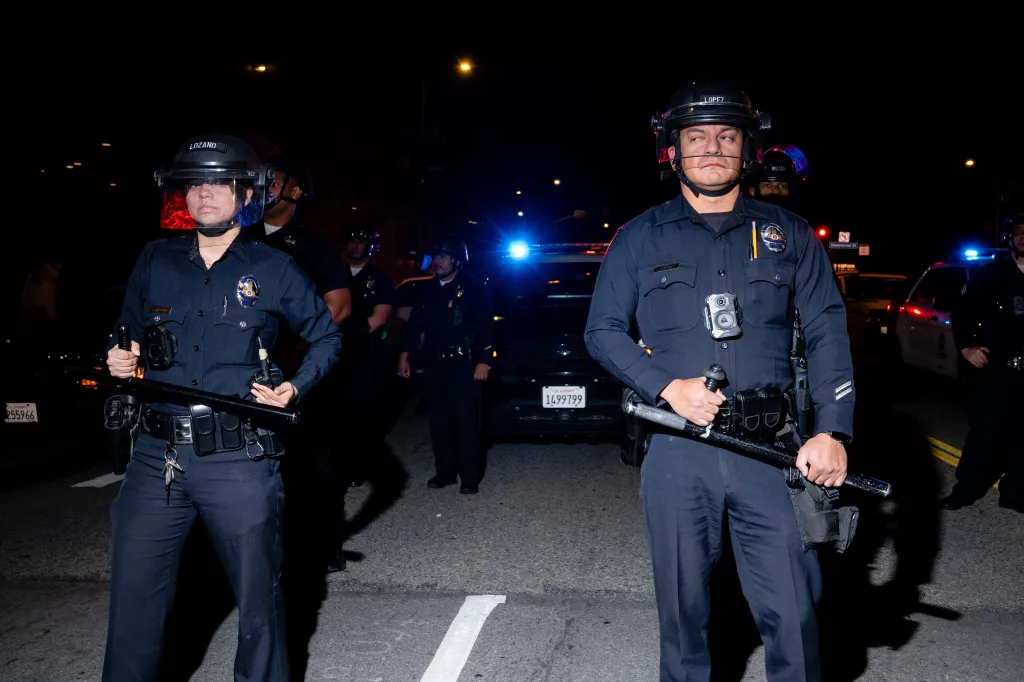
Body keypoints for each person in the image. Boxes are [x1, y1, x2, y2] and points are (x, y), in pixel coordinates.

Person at [585, 82, 854, 682]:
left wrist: (834, 431)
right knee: (684, 618)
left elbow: (828, 333)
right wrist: (665, 386)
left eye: (727, 137)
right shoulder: (638, 237)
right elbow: (602, 332)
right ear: (671, 151)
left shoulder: (790, 235)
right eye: (696, 137)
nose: (712, 148)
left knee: (795, 615)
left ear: (747, 149)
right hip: (679, 451)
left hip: (773, 449)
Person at [102, 133, 342, 682]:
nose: (205, 194)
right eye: (195, 184)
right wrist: (120, 354)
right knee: (133, 603)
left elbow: (327, 337)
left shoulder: (273, 268)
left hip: (237, 458)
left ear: (244, 193)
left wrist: (295, 387)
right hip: (154, 460)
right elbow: (125, 329)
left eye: (218, 183)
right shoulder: (155, 259)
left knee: (260, 601)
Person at [397, 237, 494, 494]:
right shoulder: (427, 290)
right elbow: (415, 324)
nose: (437, 262)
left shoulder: (474, 288)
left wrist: (484, 361)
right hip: (434, 365)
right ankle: (446, 473)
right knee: (439, 423)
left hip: (465, 364)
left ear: (456, 260)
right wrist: (404, 354)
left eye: (443, 257)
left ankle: (470, 478)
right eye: (435, 257)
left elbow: (486, 327)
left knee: (466, 423)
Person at [942, 213, 1024, 513]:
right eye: (1018, 232)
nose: (1023, 237)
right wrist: (966, 347)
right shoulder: (992, 274)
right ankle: (965, 490)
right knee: (985, 434)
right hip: (998, 371)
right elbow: (962, 313)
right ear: (1009, 239)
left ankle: (1015, 493)